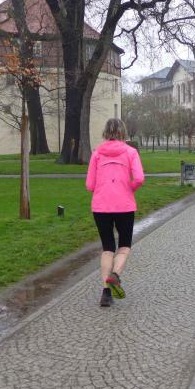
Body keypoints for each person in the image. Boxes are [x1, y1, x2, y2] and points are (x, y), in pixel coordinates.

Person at [86, 118, 145, 307]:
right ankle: (116, 275)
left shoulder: (97, 153)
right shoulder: (131, 152)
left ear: (106, 132)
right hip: (124, 206)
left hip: (101, 206)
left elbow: (90, 185)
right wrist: (128, 188)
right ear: (123, 132)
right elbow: (139, 178)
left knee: (107, 248)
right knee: (124, 246)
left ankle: (106, 293)